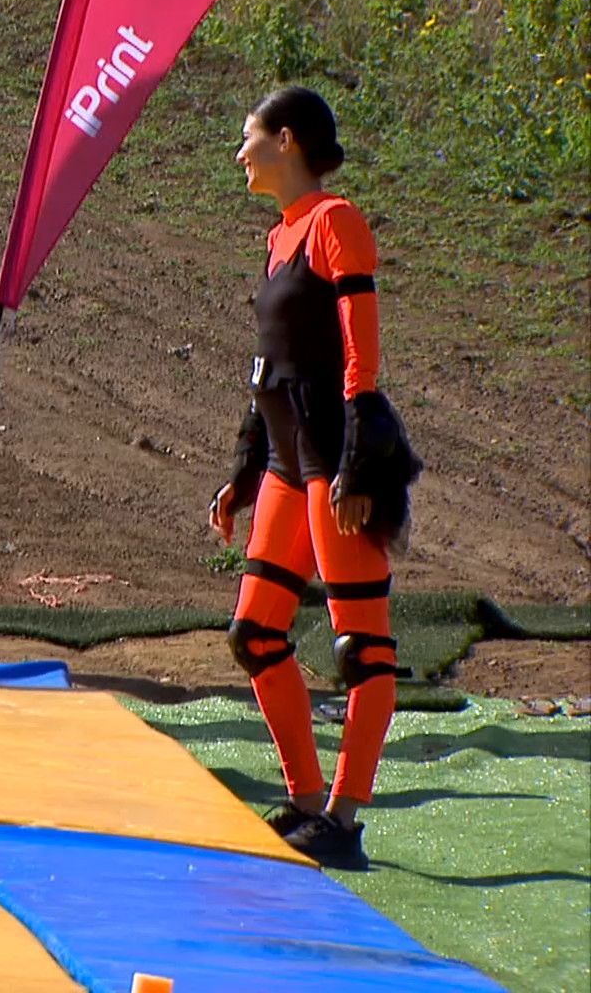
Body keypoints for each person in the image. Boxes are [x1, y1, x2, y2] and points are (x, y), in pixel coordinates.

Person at [208, 86, 421, 870]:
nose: (241, 153)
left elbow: (361, 359)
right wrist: (242, 469)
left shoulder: (336, 224)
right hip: (283, 461)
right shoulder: (280, 237)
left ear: (287, 140)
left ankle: (345, 817)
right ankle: (305, 801)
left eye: (250, 137)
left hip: (334, 461)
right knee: (255, 635)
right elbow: (273, 367)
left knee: (361, 648)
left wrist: (359, 464)